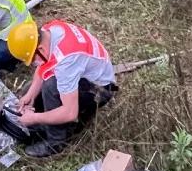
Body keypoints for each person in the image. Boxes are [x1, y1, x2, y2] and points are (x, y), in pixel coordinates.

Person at [7, 20, 117, 157]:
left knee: (50, 87)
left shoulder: (67, 61)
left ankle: (55, 142)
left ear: (40, 49)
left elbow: (70, 112)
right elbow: (44, 65)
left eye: (32, 60)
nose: (33, 64)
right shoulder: (47, 31)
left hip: (100, 89)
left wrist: (34, 118)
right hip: (85, 72)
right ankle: (45, 118)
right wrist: (30, 94)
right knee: (30, 89)